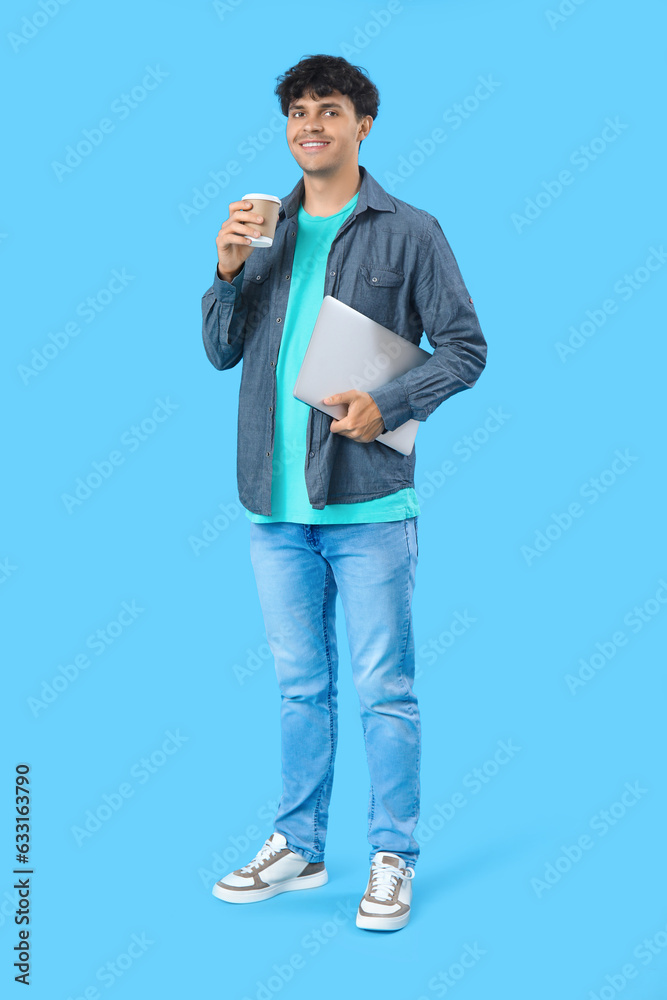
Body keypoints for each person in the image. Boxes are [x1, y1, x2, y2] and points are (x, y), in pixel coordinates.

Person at [202, 54, 487, 931]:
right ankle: (299, 845)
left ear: (363, 124)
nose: (309, 125)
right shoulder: (263, 227)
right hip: (272, 503)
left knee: (383, 688)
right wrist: (224, 269)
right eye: (296, 112)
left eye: (328, 109)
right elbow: (220, 351)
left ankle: (392, 855)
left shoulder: (409, 230)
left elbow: (465, 348)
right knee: (298, 685)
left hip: (365, 505)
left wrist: (389, 402)